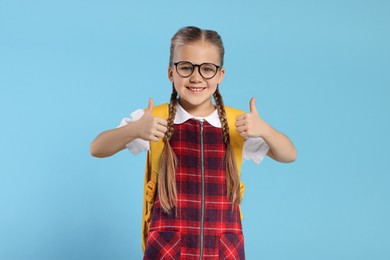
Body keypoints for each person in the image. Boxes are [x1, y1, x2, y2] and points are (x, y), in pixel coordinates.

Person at [90, 26, 296, 259]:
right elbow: (97, 148)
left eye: (207, 68)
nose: (196, 77)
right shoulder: (153, 119)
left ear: (220, 74)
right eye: (186, 67)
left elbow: (289, 154)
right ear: (171, 73)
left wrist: (266, 130)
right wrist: (134, 129)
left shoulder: (237, 123)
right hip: (168, 248)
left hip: (223, 248)